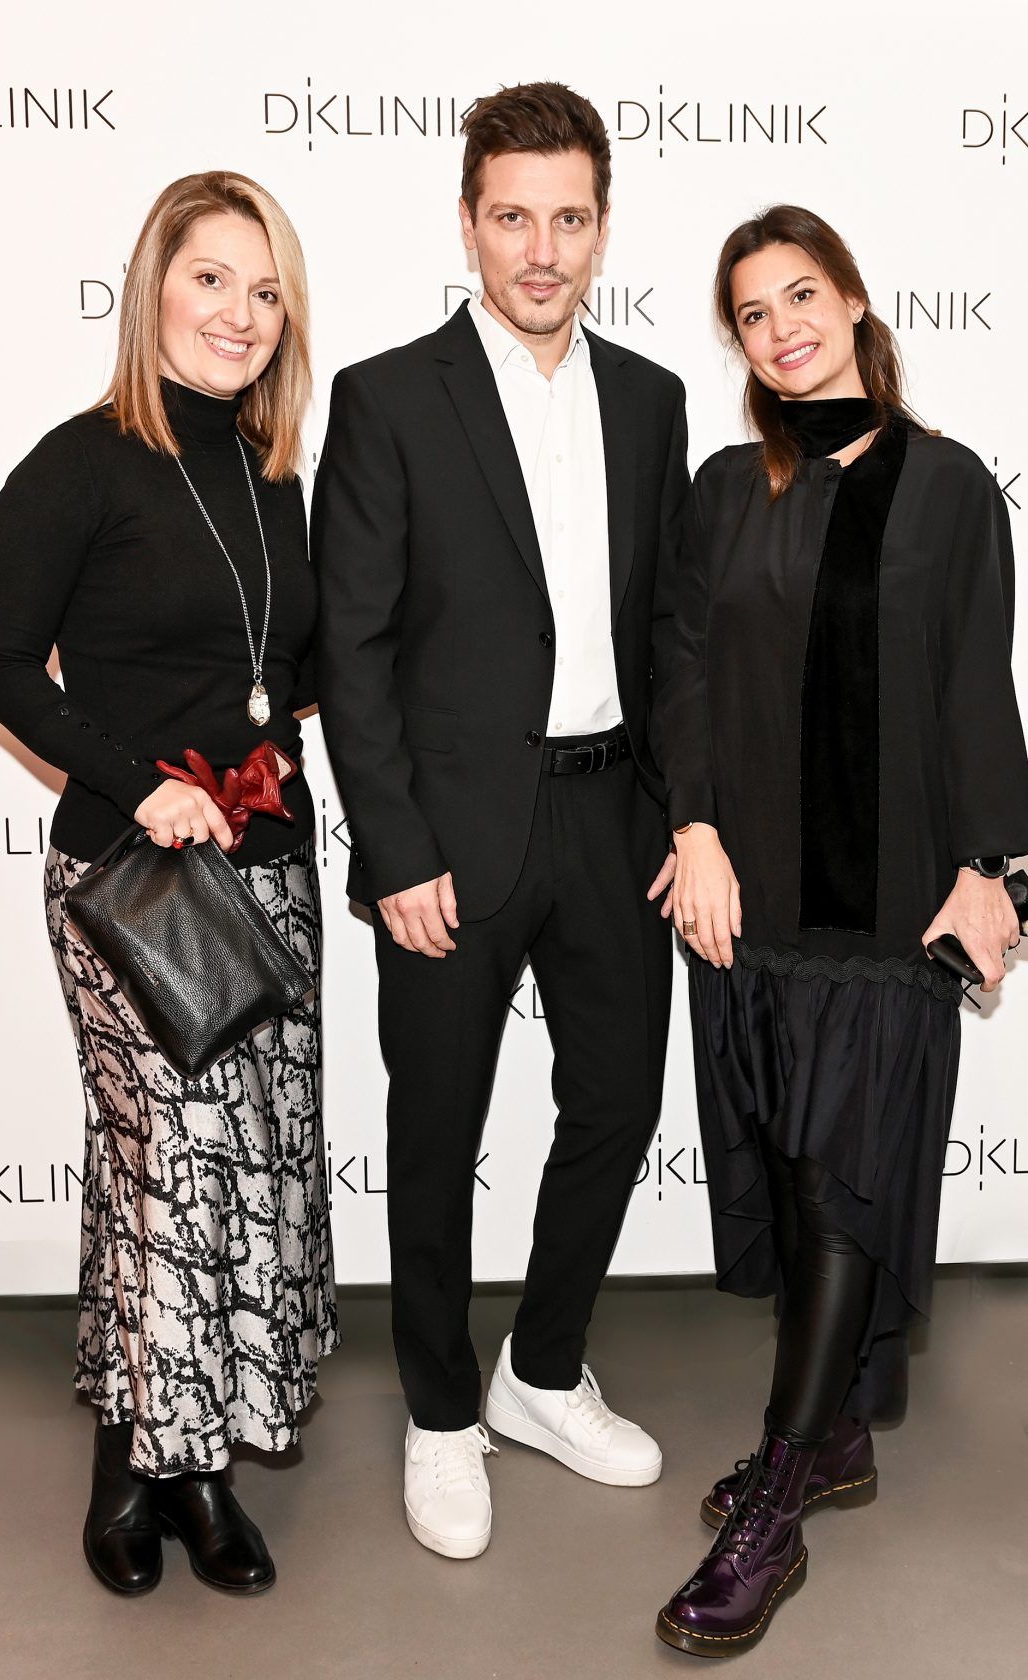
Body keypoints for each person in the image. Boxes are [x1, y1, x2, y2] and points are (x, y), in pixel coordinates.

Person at [311, 82, 688, 1559]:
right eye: (514, 216)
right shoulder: (389, 397)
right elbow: (352, 650)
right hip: (451, 840)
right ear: (468, 222)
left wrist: (688, 818)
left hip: (615, 821)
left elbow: (670, 636)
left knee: (617, 1105)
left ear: (602, 227)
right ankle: (440, 1411)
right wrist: (396, 849)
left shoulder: (651, 401)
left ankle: (541, 1370)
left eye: (568, 218)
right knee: (434, 1129)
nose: (542, 249)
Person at [652, 203, 1028, 1656]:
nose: (782, 328)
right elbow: (682, 670)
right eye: (753, 313)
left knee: (844, 1180)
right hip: (750, 901)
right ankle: (839, 1435)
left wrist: (993, 871)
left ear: (855, 300)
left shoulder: (950, 486)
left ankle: (779, 1491)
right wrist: (691, 831)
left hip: (888, 910)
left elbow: (977, 685)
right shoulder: (721, 489)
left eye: (801, 295)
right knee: (795, 1178)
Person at [0, 171, 337, 1597]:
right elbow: (3, 666)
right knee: (167, 1170)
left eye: (266, 291)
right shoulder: (80, 463)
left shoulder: (278, 473)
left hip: (268, 869)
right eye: (211, 279)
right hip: (131, 883)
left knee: (240, 1176)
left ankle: (185, 1466)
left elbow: (293, 668)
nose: (239, 314)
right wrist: (142, 781)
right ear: (153, 287)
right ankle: (150, 1471)